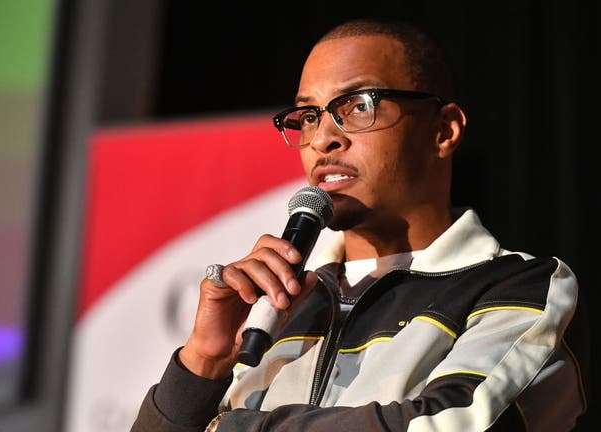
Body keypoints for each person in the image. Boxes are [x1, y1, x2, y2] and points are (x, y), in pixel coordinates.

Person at [131, 17, 590, 431]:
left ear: (444, 130)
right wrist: (202, 363)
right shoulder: (277, 308)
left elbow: (452, 423)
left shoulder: (518, 287)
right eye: (309, 115)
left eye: (358, 105)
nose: (325, 138)